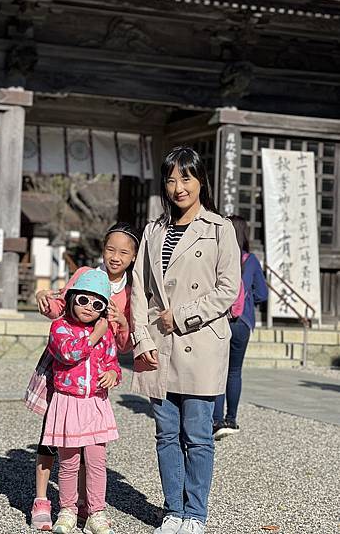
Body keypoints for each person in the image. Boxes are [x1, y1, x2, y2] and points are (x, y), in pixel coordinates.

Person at [130, 146, 241, 534]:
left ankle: (195, 514)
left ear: (200, 181)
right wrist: (140, 338)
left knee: (197, 435)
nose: (179, 187)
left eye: (186, 178)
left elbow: (229, 289)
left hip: (200, 343)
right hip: (159, 344)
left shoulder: (219, 228)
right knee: (165, 435)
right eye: (172, 179)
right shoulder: (153, 230)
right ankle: (173, 510)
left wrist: (180, 315)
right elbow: (138, 290)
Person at [31, 223, 139, 530]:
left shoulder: (131, 293)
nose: (115, 257)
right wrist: (43, 295)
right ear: (102, 249)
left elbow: (121, 346)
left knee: (91, 453)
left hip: (94, 382)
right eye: (110, 249)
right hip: (64, 374)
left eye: (124, 252)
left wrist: (120, 325)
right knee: (54, 440)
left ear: (133, 257)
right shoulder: (85, 276)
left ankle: (87, 506)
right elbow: (60, 307)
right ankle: (44, 499)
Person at [43, 269, 121, 534]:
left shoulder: (106, 334)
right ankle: (67, 510)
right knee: (69, 462)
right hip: (67, 403)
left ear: (103, 308)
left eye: (97, 303)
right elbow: (67, 354)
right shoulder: (59, 328)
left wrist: (112, 373)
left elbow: (113, 362)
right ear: (72, 299)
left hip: (96, 404)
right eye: (83, 300)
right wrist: (94, 335)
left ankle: (96, 512)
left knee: (97, 462)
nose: (89, 307)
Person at [212, 215, 268, 440]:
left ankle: (215, 420)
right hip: (242, 323)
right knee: (234, 371)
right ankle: (231, 419)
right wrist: (246, 299)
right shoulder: (250, 260)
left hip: (218, 320)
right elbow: (262, 294)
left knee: (217, 371)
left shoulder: (217, 256)